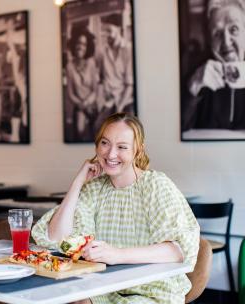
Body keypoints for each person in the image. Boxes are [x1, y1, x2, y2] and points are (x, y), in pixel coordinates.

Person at [32, 112, 200, 303]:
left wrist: (117, 254)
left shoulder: (155, 185)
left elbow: (178, 251)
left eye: (122, 147)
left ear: (138, 150)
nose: (111, 154)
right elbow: (56, 238)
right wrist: (78, 182)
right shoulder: (94, 188)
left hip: (152, 289)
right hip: (103, 286)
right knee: (73, 297)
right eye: (105, 143)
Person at [182, 0, 245, 131]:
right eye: (217, 33)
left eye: (234, 29)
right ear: (210, 41)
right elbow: (175, 130)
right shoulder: (196, 72)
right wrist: (193, 88)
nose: (226, 42)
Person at [95, 14, 134, 132]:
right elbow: (100, 80)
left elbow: (129, 85)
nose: (106, 35)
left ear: (119, 30)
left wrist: (119, 107)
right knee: (97, 129)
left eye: (109, 30)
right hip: (109, 101)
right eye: (103, 31)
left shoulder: (128, 50)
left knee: (127, 134)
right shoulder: (102, 52)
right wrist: (101, 100)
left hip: (125, 101)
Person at [65, 25, 98, 142]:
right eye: (78, 43)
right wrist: (81, 105)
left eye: (84, 44)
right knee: (80, 131)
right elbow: (70, 93)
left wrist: (87, 103)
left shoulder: (91, 63)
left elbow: (95, 90)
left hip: (92, 106)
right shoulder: (69, 66)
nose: (80, 47)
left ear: (88, 47)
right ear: (74, 44)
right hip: (79, 107)